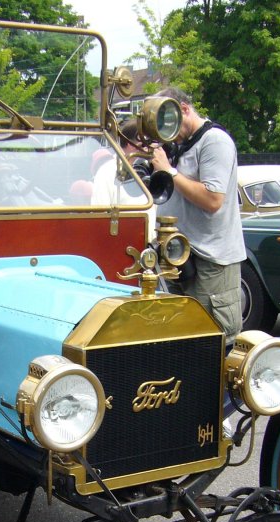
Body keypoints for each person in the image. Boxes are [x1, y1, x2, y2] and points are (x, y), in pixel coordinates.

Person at [149, 87, 244, 341]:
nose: (165, 132)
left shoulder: (214, 140)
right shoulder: (180, 145)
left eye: (166, 121)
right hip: (178, 256)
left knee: (213, 339)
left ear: (184, 109)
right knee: (179, 338)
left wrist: (169, 171)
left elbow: (213, 200)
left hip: (211, 262)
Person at [91, 118, 157, 242]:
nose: (148, 150)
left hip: (150, 247)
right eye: (143, 145)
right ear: (128, 144)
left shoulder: (150, 170)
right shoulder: (107, 172)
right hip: (121, 245)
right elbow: (99, 215)